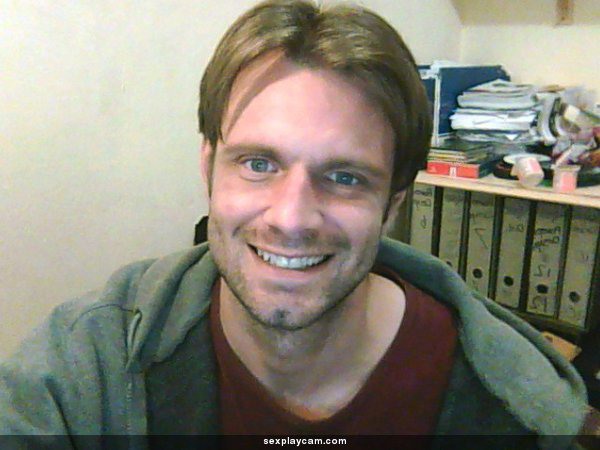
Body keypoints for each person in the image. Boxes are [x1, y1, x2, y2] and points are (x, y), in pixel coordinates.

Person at [0, 0, 592, 448]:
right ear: (209, 168)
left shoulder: (509, 408)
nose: (291, 219)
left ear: (393, 203)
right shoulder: (82, 367)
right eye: (258, 164)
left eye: (345, 177)